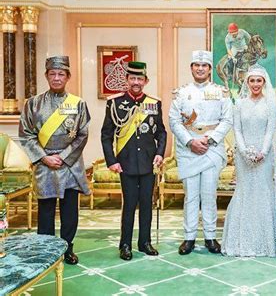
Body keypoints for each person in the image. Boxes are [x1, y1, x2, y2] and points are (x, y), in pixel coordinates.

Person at [19, 56, 91, 265]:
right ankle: (46, 250)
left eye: (61, 74)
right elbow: (26, 135)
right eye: (53, 74)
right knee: (46, 210)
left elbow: (82, 134)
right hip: (45, 164)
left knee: (70, 210)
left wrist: (63, 157)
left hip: (70, 164)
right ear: (46, 76)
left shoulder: (78, 104)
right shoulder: (33, 104)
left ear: (68, 77)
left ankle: (67, 247)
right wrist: (44, 157)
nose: (57, 78)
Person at [101, 61, 167, 261]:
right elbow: (106, 135)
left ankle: (145, 242)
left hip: (148, 163)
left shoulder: (154, 103)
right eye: (133, 78)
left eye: (140, 79)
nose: (136, 82)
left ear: (146, 81)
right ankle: (125, 244)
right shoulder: (115, 103)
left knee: (147, 203)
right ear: (127, 80)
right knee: (129, 204)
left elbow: (162, 132)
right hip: (126, 163)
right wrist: (111, 160)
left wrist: (160, 153)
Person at [169, 50, 233, 255]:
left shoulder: (221, 92)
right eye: (196, 64)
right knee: (191, 196)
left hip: (211, 149)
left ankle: (210, 237)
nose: (200, 68)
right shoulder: (181, 93)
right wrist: (190, 142)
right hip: (189, 150)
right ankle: (188, 237)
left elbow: (227, 120)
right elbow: (174, 121)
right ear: (191, 68)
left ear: (210, 69)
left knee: (209, 195)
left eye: (204, 65)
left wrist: (210, 138)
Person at [221, 64, 276, 257]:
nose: (255, 84)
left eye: (259, 80)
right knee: (245, 191)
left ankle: (265, 243)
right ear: (247, 82)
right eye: (252, 80)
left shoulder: (271, 104)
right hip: (243, 156)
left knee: (262, 192)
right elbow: (236, 129)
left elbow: (270, 130)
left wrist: (262, 152)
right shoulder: (239, 103)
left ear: (264, 82)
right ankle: (240, 242)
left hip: (264, 156)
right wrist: (245, 151)